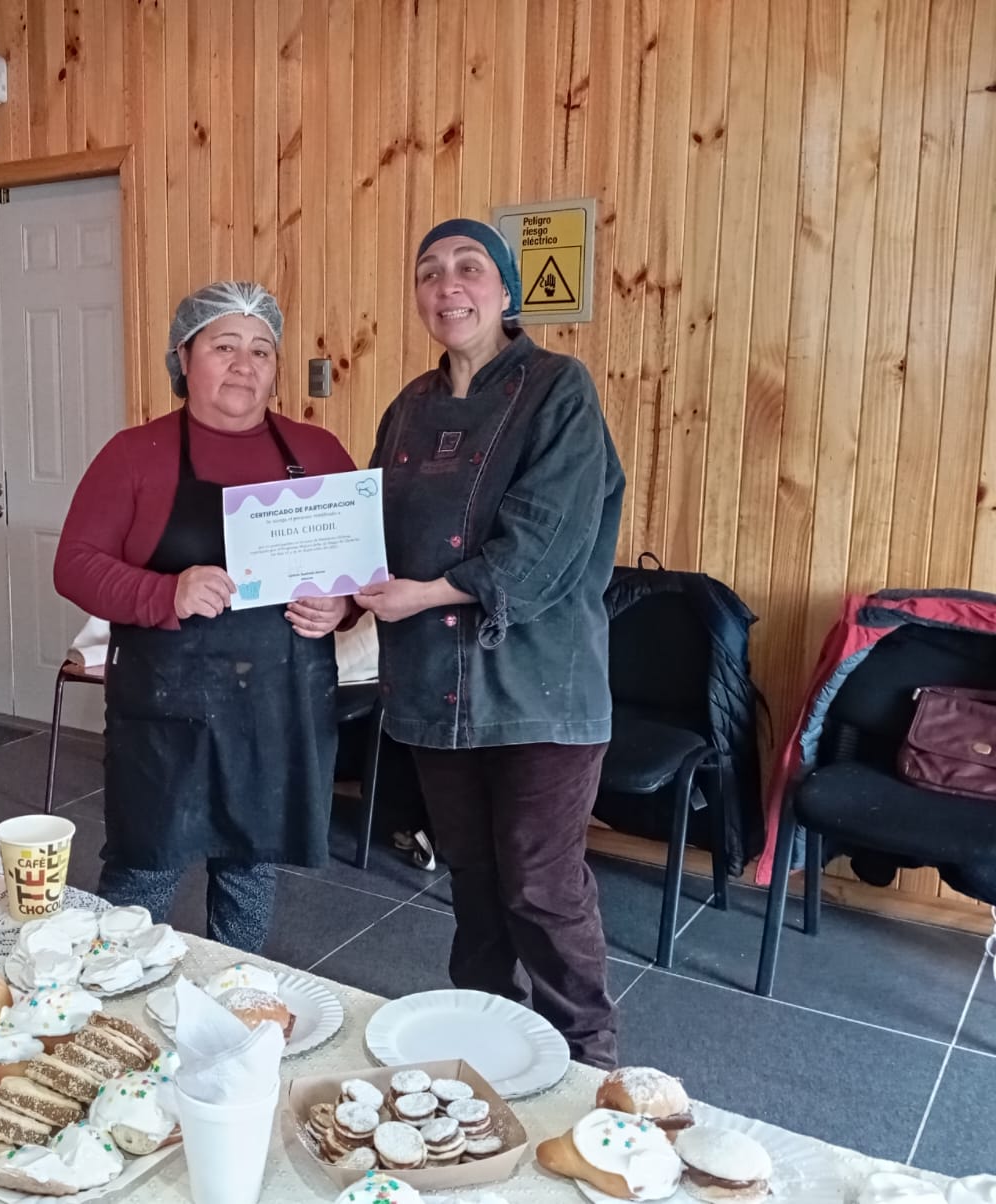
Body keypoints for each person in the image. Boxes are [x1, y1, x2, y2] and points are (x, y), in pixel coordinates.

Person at [355, 219, 626, 1067]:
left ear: (506, 291)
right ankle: (485, 1048)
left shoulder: (559, 389)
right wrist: (344, 590)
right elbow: (371, 530)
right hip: (435, 684)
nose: (448, 287)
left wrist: (424, 592)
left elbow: (543, 543)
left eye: (469, 269)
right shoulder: (407, 407)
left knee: (543, 889)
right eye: (429, 272)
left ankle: (589, 1064)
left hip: (540, 686)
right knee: (474, 885)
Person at [54, 281, 355, 952]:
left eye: (262, 350)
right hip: (168, 713)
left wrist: (341, 605)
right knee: (143, 874)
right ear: (183, 359)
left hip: (277, 709)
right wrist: (166, 593)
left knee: (251, 868)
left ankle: (234, 1003)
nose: (246, 364)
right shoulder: (136, 455)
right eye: (224, 347)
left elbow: (360, 572)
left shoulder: (318, 454)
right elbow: (74, 564)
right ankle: (112, 1006)